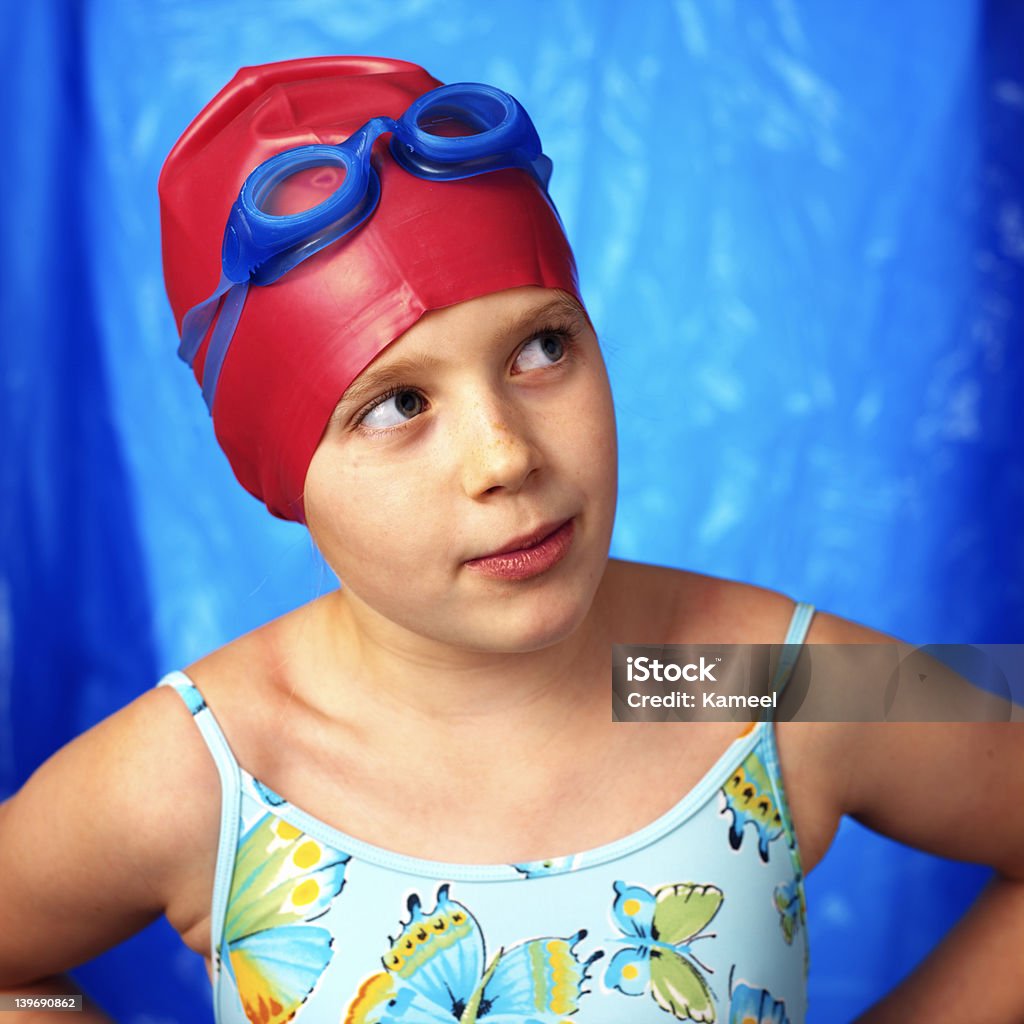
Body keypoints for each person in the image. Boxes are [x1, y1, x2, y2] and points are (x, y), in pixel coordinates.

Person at [1, 56, 1021, 1024]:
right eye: (397, 403)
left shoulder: (743, 674)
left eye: (541, 347)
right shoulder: (220, 762)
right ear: (281, 475)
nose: (504, 456)